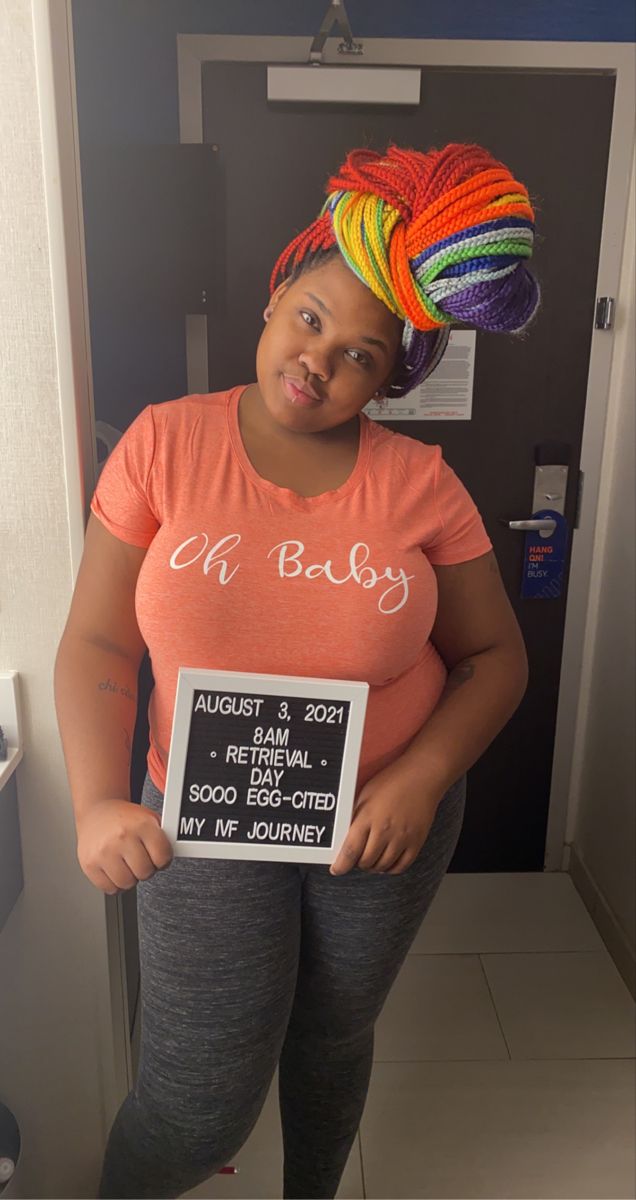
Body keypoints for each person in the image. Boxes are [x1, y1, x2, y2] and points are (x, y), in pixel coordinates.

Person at [54, 141, 538, 1199]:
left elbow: (497, 659)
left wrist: (418, 782)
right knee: (196, 1096)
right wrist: (96, 801)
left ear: (393, 376)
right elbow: (98, 643)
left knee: (331, 1035)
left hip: (380, 823)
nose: (321, 361)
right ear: (277, 296)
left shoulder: (422, 484)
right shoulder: (162, 445)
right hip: (199, 814)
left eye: (364, 354)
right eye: (312, 319)